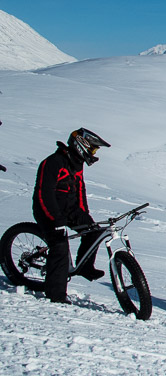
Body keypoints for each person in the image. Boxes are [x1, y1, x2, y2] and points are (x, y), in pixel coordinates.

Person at [32, 128, 110, 303]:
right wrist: (55, 219)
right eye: (93, 149)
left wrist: (85, 215)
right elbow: (44, 194)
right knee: (60, 247)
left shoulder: (77, 163)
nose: (93, 153)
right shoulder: (53, 162)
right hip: (48, 211)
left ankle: (85, 267)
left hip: (69, 210)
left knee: (94, 232)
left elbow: (80, 191)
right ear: (81, 145)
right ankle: (56, 294)